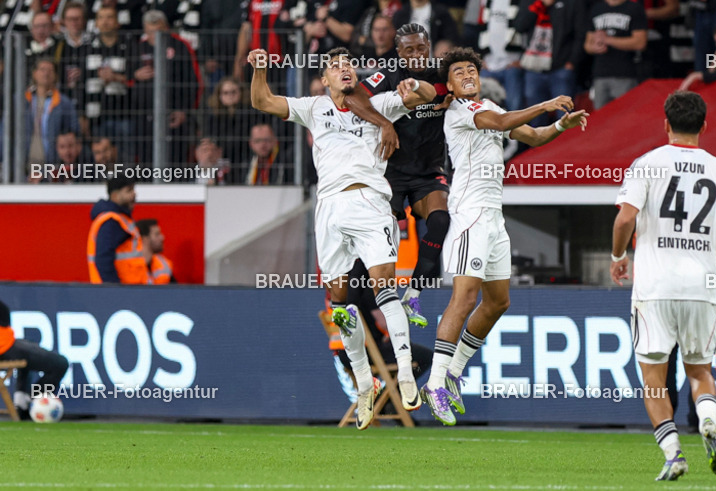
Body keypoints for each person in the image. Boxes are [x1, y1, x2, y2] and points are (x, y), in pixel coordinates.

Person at [247, 45, 438, 428]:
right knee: (340, 299)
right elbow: (263, 101)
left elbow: (429, 96)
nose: (343, 69)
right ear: (324, 79)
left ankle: (404, 372)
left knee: (384, 286)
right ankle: (364, 384)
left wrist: (416, 86)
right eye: (334, 66)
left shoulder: (380, 103)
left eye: (348, 64)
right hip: (330, 209)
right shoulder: (314, 107)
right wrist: (260, 69)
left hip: (370, 203)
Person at [419, 48, 588, 426]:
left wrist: (562, 124)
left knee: (498, 302)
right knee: (464, 298)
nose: (468, 74)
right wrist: (546, 103)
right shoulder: (461, 110)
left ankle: (453, 373)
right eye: (459, 72)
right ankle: (435, 383)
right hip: (471, 216)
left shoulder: (489, 106)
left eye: (472, 69)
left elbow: (535, 136)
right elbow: (500, 121)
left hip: (494, 218)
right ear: (449, 86)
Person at [610, 90, 716, 481]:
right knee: (700, 372)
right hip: (701, 288)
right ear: (704, 126)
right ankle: (708, 421)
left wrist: (618, 255)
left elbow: (624, 219)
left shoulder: (646, 164)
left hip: (654, 288)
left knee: (654, 380)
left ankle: (673, 453)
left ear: (665, 124)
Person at [359, 24, 452, 328]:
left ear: (429, 46)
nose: (416, 54)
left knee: (440, 221)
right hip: (392, 174)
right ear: (398, 52)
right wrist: (384, 124)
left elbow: (467, 89)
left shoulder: (443, 75)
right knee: (375, 234)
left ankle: (412, 295)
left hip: (429, 172)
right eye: (409, 49)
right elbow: (354, 98)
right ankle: (354, 302)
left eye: (421, 48)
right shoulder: (386, 75)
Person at [0, 298, 69, 421]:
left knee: (28, 348)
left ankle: (22, 400)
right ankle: (31, 399)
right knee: (60, 364)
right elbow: (4, 316)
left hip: (6, 344)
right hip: (5, 346)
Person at [87, 177, 148, 284]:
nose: (134, 194)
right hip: (120, 290)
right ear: (115, 195)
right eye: (129, 190)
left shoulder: (120, 219)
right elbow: (103, 260)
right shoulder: (111, 221)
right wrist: (115, 289)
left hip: (127, 289)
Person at [137, 218, 175, 284]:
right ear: (145, 239)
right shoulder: (128, 266)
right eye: (157, 234)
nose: (162, 237)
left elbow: (176, 289)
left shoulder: (163, 265)